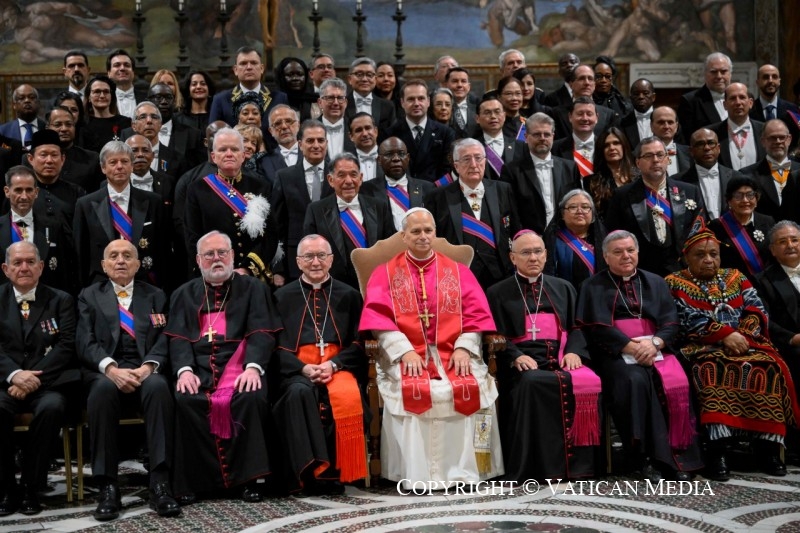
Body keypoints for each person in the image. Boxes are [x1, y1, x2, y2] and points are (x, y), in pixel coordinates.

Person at [359, 207, 504, 489]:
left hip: (452, 350)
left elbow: (476, 314)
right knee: (418, 388)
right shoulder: (385, 273)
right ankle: (417, 473)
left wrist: (464, 348)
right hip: (406, 352)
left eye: (428, 230)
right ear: (404, 236)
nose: (423, 236)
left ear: (435, 233)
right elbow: (378, 319)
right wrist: (404, 351)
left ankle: (469, 470)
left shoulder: (458, 272)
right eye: (416, 231)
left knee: (472, 384)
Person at [666, 222, 798, 480]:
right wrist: (725, 335)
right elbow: (684, 318)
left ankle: (767, 447)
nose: (708, 260)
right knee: (711, 369)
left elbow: (757, 309)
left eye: (713, 254)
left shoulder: (736, 277)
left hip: (746, 343)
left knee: (767, 366)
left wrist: (743, 336)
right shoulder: (674, 282)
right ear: (686, 257)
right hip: (703, 347)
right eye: (700, 255)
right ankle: (718, 450)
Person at [165, 230, 282, 501]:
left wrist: (253, 367)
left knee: (250, 396)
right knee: (186, 399)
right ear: (198, 260)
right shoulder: (184, 294)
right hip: (199, 369)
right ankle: (196, 482)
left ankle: (251, 480)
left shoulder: (254, 288)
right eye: (209, 254)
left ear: (232, 255)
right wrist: (185, 370)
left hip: (241, 367)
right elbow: (178, 338)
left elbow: (262, 332)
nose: (216, 259)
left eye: (222, 253)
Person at [577, 230, 703, 481]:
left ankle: (678, 457)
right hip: (615, 353)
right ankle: (644, 458)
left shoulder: (655, 282)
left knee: (677, 381)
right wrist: (629, 346)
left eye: (630, 250)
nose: (626, 256)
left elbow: (671, 322)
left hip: (656, 349)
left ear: (637, 252)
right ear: (606, 257)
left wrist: (655, 343)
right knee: (634, 381)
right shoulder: (592, 285)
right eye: (618, 252)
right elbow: (594, 327)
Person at [76, 239, 179, 520]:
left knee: (159, 387)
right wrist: (111, 369)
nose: (120, 260)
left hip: (144, 369)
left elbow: (165, 338)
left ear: (137, 264)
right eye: (113, 256)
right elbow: (84, 341)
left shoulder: (156, 295)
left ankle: (160, 483)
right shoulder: (88, 295)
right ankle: (108, 486)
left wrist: (148, 367)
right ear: (103, 265)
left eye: (127, 256)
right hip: (106, 371)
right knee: (101, 391)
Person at [488, 230, 601, 481]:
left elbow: (577, 327)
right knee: (533, 382)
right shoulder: (497, 292)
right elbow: (495, 334)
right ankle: (537, 468)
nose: (533, 258)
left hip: (560, 357)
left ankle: (580, 467)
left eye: (538, 251)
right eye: (526, 253)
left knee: (589, 382)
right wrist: (515, 355)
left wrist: (573, 351)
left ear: (546, 254)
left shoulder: (564, 287)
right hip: (522, 362)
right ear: (513, 258)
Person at [272, 234, 367, 495]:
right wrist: (302, 368)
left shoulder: (350, 295)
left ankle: (336, 475)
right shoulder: (281, 297)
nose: (315, 262)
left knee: (346, 393)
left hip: (338, 368)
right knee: (299, 392)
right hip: (297, 370)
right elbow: (273, 346)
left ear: (331, 259)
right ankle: (305, 474)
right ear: (298, 262)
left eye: (321, 256)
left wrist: (334, 365)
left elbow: (361, 343)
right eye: (309, 257)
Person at [0, 241, 76, 516]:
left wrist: (32, 380)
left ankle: (31, 486)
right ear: (6, 269)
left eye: (30, 262)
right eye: (17, 262)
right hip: (6, 384)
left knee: (53, 408)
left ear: (41, 266)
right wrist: (15, 375)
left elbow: (66, 346)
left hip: (47, 384)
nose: (24, 267)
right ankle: (6, 488)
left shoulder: (61, 299)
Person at [605, 136, 707, 277]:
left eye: (660, 155)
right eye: (648, 156)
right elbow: (614, 236)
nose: (655, 160)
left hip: (684, 272)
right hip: (642, 273)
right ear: (638, 162)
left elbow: (700, 233)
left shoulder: (690, 191)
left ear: (668, 159)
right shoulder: (622, 196)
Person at [184, 127, 276, 281]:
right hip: (213, 275)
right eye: (222, 150)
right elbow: (193, 237)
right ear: (213, 156)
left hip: (251, 277)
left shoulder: (260, 187)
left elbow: (270, 235)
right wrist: (217, 268)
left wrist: (247, 269)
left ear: (243, 155)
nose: (229, 154)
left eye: (234, 149)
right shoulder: (197, 189)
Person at [427, 138, 520, 289]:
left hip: (500, 275)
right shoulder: (437, 197)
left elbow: (516, 230)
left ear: (485, 161)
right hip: (456, 277)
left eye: (478, 158)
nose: (474, 164)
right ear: (456, 166)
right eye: (466, 159)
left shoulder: (503, 190)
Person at [73, 140, 168, 288]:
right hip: (101, 285)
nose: (119, 166)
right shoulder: (85, 204)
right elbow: (81, 254)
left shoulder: (153, 201)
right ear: (103, 168)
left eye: (124, 161)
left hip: (145, 283)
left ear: (131, 166)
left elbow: (163, 250)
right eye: (113, 162)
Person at [303, 153, 395, 290]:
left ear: (361, 178)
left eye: (353, 174)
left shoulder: (379, 206)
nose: (348, 181)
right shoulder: (316, 210)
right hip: (334, 289)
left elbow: (390, 247)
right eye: (341, 175)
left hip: (376, 285)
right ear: (330, 180)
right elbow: (310, 252)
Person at [272, 119, 332, 286]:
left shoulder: (338, 175)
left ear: (327, 143)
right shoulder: (284, 176)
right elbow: (277, 226)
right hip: (295, 262)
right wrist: (278, 268)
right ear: (300, 144)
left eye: (320, 140)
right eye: (310, 140)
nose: (316, 145)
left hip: (333, 260)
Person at [501, 113, 581, 235]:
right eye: (537, 134)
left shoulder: (570, 167)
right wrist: (522, 236)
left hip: (566, 236)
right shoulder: (511, 170)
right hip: (529, 237)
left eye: (547, 134)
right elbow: (511, 210)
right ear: (526, 137)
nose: (542, 138)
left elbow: (576, 202)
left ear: (553, 136)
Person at [0, 165, 76, 295]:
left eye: (29, 190)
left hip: (45, 301)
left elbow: (64, 272)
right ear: (7, 191)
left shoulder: (54, 227)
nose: (24, 196)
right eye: (18, 190)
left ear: (36, 192)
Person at [208, 46, 289, 148]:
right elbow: (213, 137)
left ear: (262, 68)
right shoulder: (221, 100)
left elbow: (287, 134)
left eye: (254, 63)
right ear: (235, 70)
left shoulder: (279, 98)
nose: (249, 67)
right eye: (243, 63)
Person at [757, 221, 800, 397]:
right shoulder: (761, 281)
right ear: (773, 250)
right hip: (790, 348)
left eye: (794, 240)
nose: (790, 245)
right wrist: (792, 338)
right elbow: (763, 318)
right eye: (783, 241)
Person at [386, 79, 455, 183]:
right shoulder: (390, 134)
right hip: (402, 189)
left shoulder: (446, 133)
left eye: (421, 98)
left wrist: (434, 189)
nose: (416, 103)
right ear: (402, 102)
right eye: (411, 99)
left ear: (428, 101)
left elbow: (447, 169)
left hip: (435, 189)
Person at [360, 137, 434, 231]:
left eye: (401, 154)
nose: (396, 158)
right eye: (389, 154)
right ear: (379, 160)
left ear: (408, 158)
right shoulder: (366, 190)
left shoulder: (427, 188)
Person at [708, 177, 774, 282]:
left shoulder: (768, 221)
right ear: (729, 201)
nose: (745, 200)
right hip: (733, 284)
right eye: (738, 196)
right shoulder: (716, 226)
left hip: (766, 284)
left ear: (756, 199)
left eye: (750, 195)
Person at [674, 128, 745, 220]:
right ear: (691, 151)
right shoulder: (678, 181)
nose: (707, 148)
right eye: (700, 144)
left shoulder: (736, 177)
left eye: (711, 143)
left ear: (718, 148)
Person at [543, 189, 608, 290]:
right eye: (573, 207)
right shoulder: (553, 241)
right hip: (565, 296)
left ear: (593, 214)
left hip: (597, 296)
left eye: (585, 207)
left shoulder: (603, 240)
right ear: (562, 214)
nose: (579, 211)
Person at [741, 119, 800, 224]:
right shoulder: (747, 175)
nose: (778, 141)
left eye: (782, 137)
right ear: (763, 141)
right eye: (772, 138)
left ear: (789, 139)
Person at [24, 130, 86, 226]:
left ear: (62, 159)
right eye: (43, 155)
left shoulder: (76, 193)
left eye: (54, 155)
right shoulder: (20, 194)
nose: (49, 160)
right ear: (31, 159)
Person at [582, 126, 636, 222]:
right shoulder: (591, 181)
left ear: (624, 146)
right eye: (606, 145)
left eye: (616, 143)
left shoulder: (639, 176)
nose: (612, 148)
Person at [709, 83, 765, 171]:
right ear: (725, 105)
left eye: (742, 97)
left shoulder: (764, 130)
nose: (738, 102)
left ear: (750, 103)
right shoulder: (712, 133)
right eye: (732, 98)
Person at [47, 106, 102, 193]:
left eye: (69, 124)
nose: (64, 129)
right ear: (47, 127)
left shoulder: (92, 159)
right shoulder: (34, 160)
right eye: (58, 125)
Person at [677, 52, 732, 141]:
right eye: (713, 72)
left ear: (730, 73)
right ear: (705, 74)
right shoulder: (690, 101)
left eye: (723, 71)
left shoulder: (742, 98)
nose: (719, 76)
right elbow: (686, 139)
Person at [473, 95, 527, 181]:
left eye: (497, 112)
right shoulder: (472, 147)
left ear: (504, 116)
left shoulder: (520, 146)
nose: (493, 116)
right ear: (477, 119)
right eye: (487, 113)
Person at [749, 64, 800, 152]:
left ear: (779, 81)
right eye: (766, 77)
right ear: (757, 82)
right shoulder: (749, 110)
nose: (770, 80)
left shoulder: (793, 110)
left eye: (774, 77)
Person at [345, 57, 396, 134]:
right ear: (350, 79)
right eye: (359, 75)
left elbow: (391, 135)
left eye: (369, 75)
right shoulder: (341, 104)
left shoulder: (388, 106)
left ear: (375, 79)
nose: (365, 79)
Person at [83, 75, 132, 154]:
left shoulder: (125, 123)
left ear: (111, 96)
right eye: (97, 92)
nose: (102, 96)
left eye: (106, 92)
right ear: (89, 97)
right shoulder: (82, 124)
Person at [258, 105, 301, 184]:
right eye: (277, 123)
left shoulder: (314, 152)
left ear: (298, 125)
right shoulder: (264, 162)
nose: (284, 126)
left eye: (288, 121)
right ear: (271, 131)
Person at [650, 106, 692, 177]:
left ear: (676, 126)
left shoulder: (690, 152)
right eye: (661, 122)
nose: (666, 126)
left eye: (670, 122)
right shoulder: (640, 153)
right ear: (651, 126)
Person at [318, 78, 354, 159]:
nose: (336, 103)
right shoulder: (308, 129)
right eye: (330, 98)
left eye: (340, 98)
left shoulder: (355, 128)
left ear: (346, 103)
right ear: (320, 103)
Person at [274, 56, 317, 122]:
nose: (295, 78)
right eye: (290, 75)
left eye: (300, 74)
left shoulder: (316, 100)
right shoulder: (273, 102)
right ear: (281, 77)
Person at [106, 50, 145, 120]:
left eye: (127, 65)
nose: (122, 68)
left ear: (133, 72)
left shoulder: (146, 98)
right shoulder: (104, 100)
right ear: (109, 73)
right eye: (117, 65)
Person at [619, 78, 655, 150]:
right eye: (636, 94)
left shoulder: (665, 120)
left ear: (653, 97)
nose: (641, 97)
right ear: (631, 98)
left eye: (645, 93)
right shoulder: (621, 123)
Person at [349, 113, 381, 182]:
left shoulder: (389, 158)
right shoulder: (344, 161)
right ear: (351, 136)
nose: (365, 134)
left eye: (368, 128)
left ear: (376, 131)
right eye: (359, 130)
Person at [447, 67, 478, 138]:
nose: (459, 85)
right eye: (455, 81)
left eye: (463, 81)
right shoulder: (439, 108)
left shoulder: (478, 106)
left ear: (469, 86)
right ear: (447, 85)